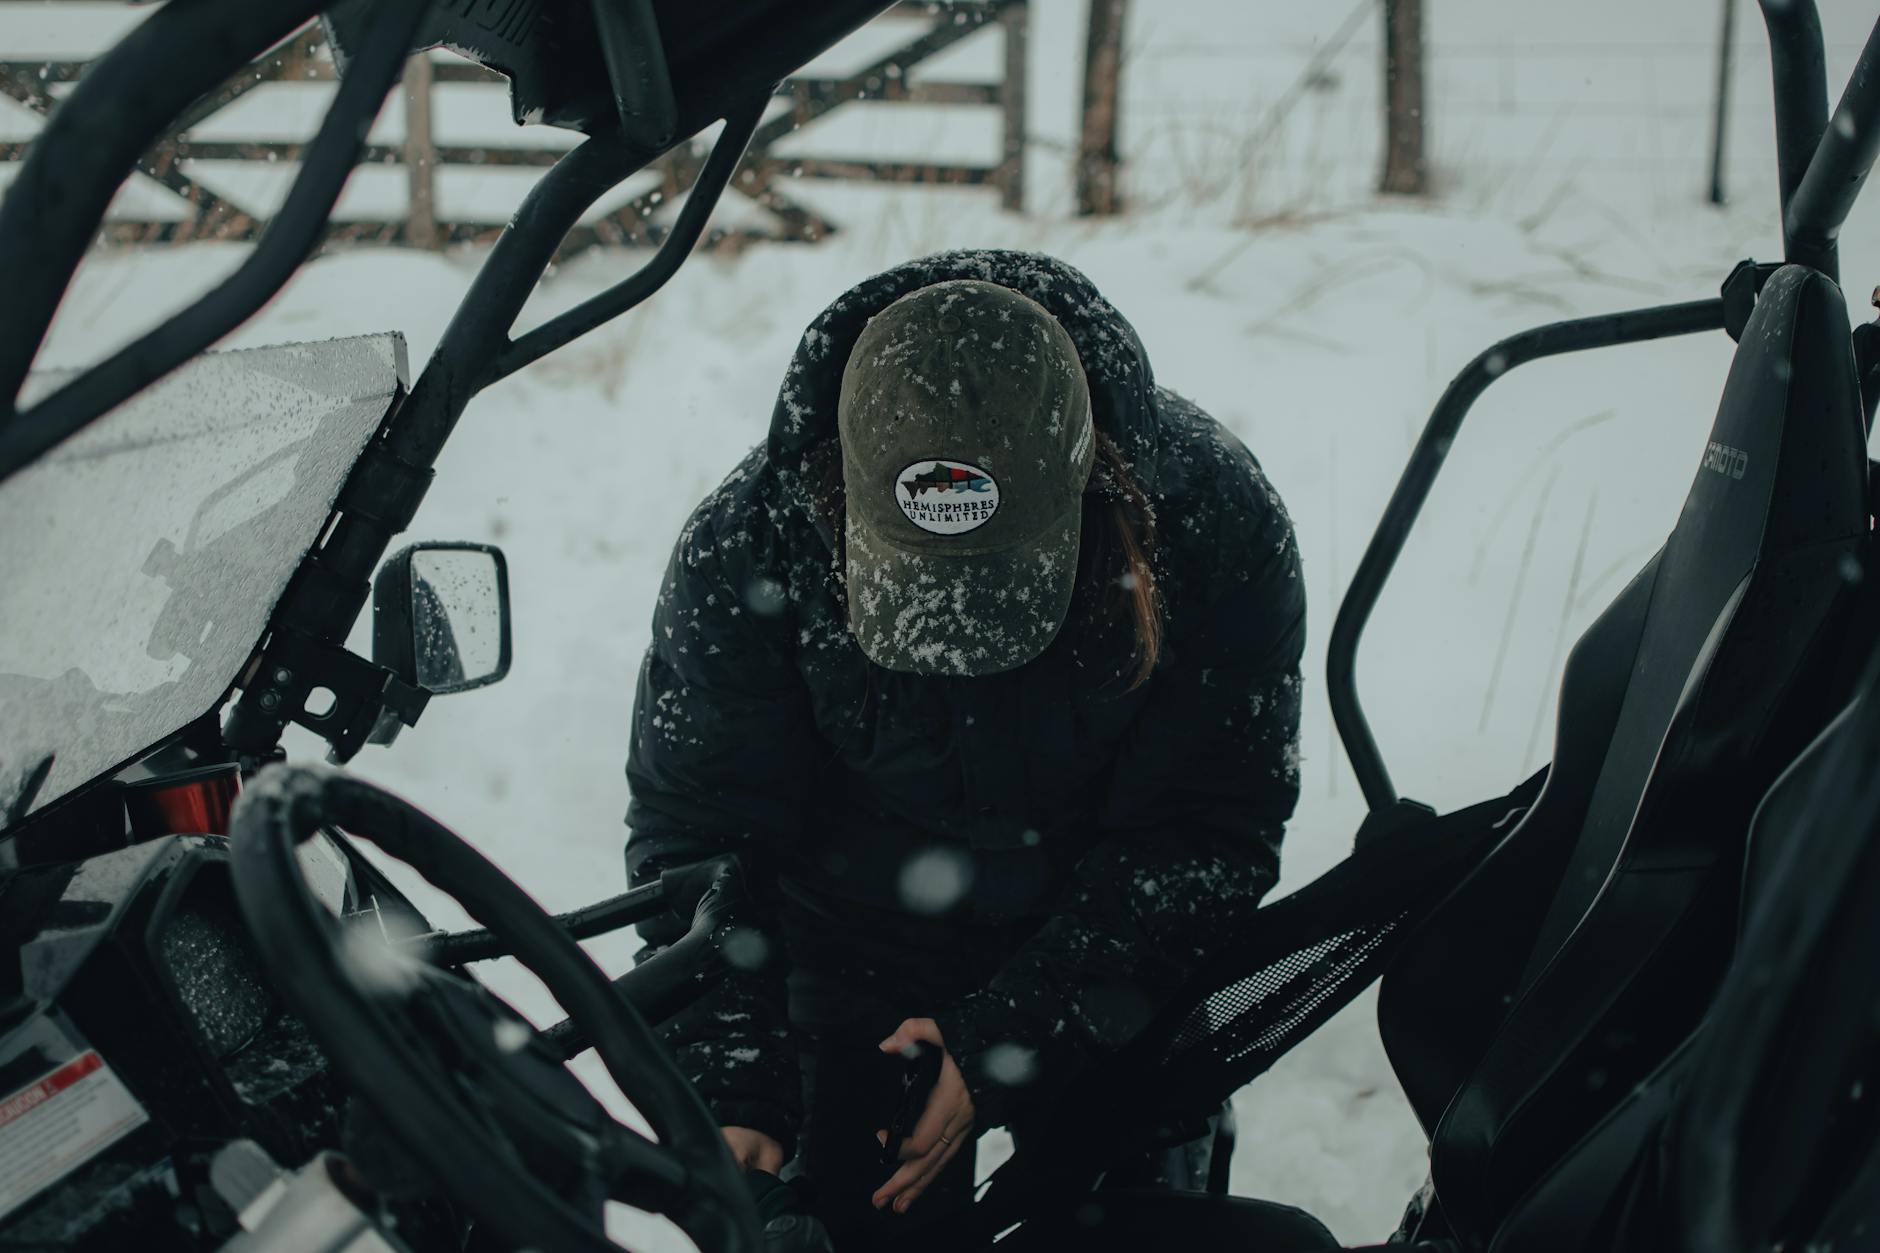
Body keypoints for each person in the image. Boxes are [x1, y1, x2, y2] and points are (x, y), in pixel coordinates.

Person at [624, 250, 1305, 1245]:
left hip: (1104, 952)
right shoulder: (748, 542)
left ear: (1094, 490)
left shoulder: (1210, 524)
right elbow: (703, 833)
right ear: (839, 506)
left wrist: (1007, 1036)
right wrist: (733, 1080)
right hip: (850, 954)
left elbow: (1206, 828)